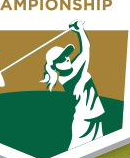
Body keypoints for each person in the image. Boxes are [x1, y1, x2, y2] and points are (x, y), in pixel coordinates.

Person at [40, 20, 106, 149]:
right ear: (54, 66)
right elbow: (85, 57)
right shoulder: (66, 78)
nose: (66, 58)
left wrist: (80, 31)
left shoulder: (75, 67)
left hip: (95, 115)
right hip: (85, 119)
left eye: (66, 55)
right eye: (60, 59)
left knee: (97, 151)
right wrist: (80, 30)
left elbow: (86, 49)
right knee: (77, 150)